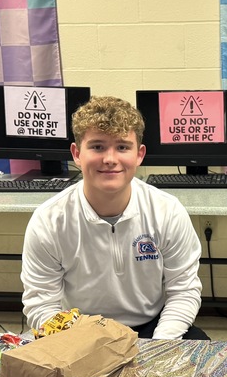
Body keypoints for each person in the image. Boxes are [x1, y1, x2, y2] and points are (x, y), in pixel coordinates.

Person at [21, 96, 207, 340]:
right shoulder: (49, 220)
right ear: (77, 154)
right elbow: (41, 303)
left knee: (198, 349)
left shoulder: (167, 211)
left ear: (139, 154)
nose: (110, 159)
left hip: (152, 328)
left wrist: (157, 347)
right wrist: (77, 347)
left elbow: (183, 291)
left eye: (122, 147)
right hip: (79, 332)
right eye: (97, 146)